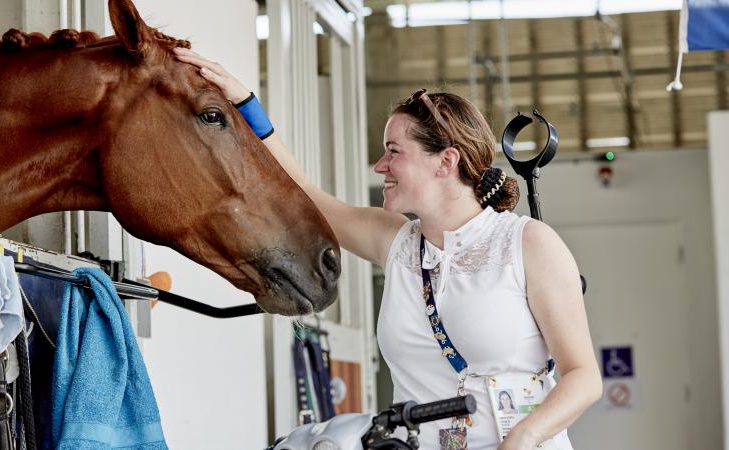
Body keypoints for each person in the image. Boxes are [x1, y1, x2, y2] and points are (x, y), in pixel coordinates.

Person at [173, 47, 602, 450]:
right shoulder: (395, 242)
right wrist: (245, 102)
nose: (380, 166)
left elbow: (583, 377)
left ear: (446, 162)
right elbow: (303, 192)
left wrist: (524, 438)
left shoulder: (527, 243)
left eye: (393, 151)